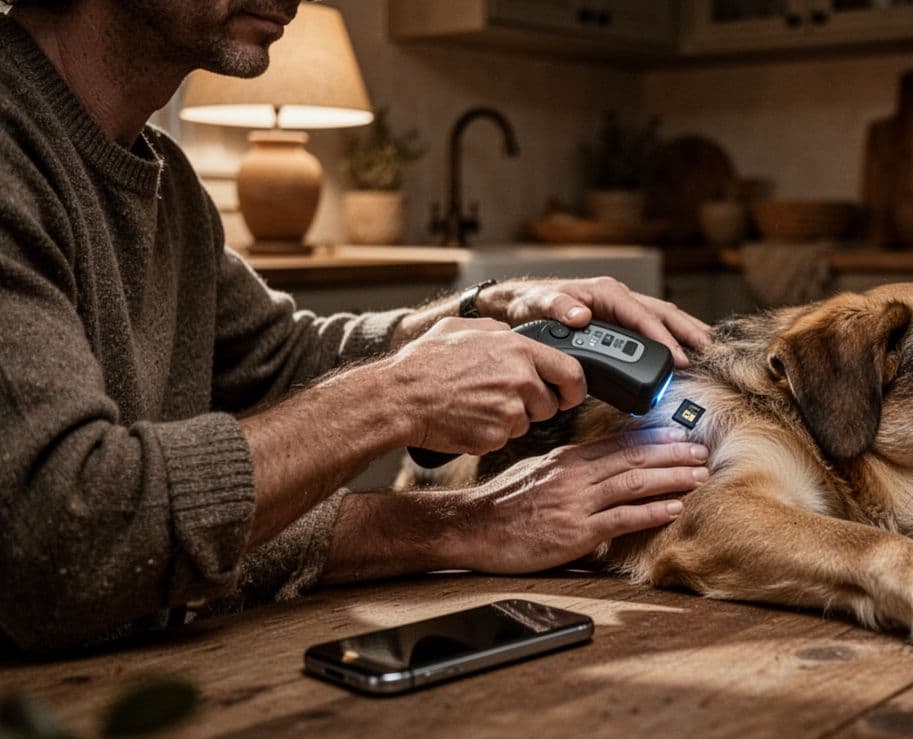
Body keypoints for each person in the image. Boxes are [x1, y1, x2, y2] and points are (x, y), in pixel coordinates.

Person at [0, 0, 713, 653]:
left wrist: (487, 308)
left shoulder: (172, 185)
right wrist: (403, 411)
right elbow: (70, 527)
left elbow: (282, 357)